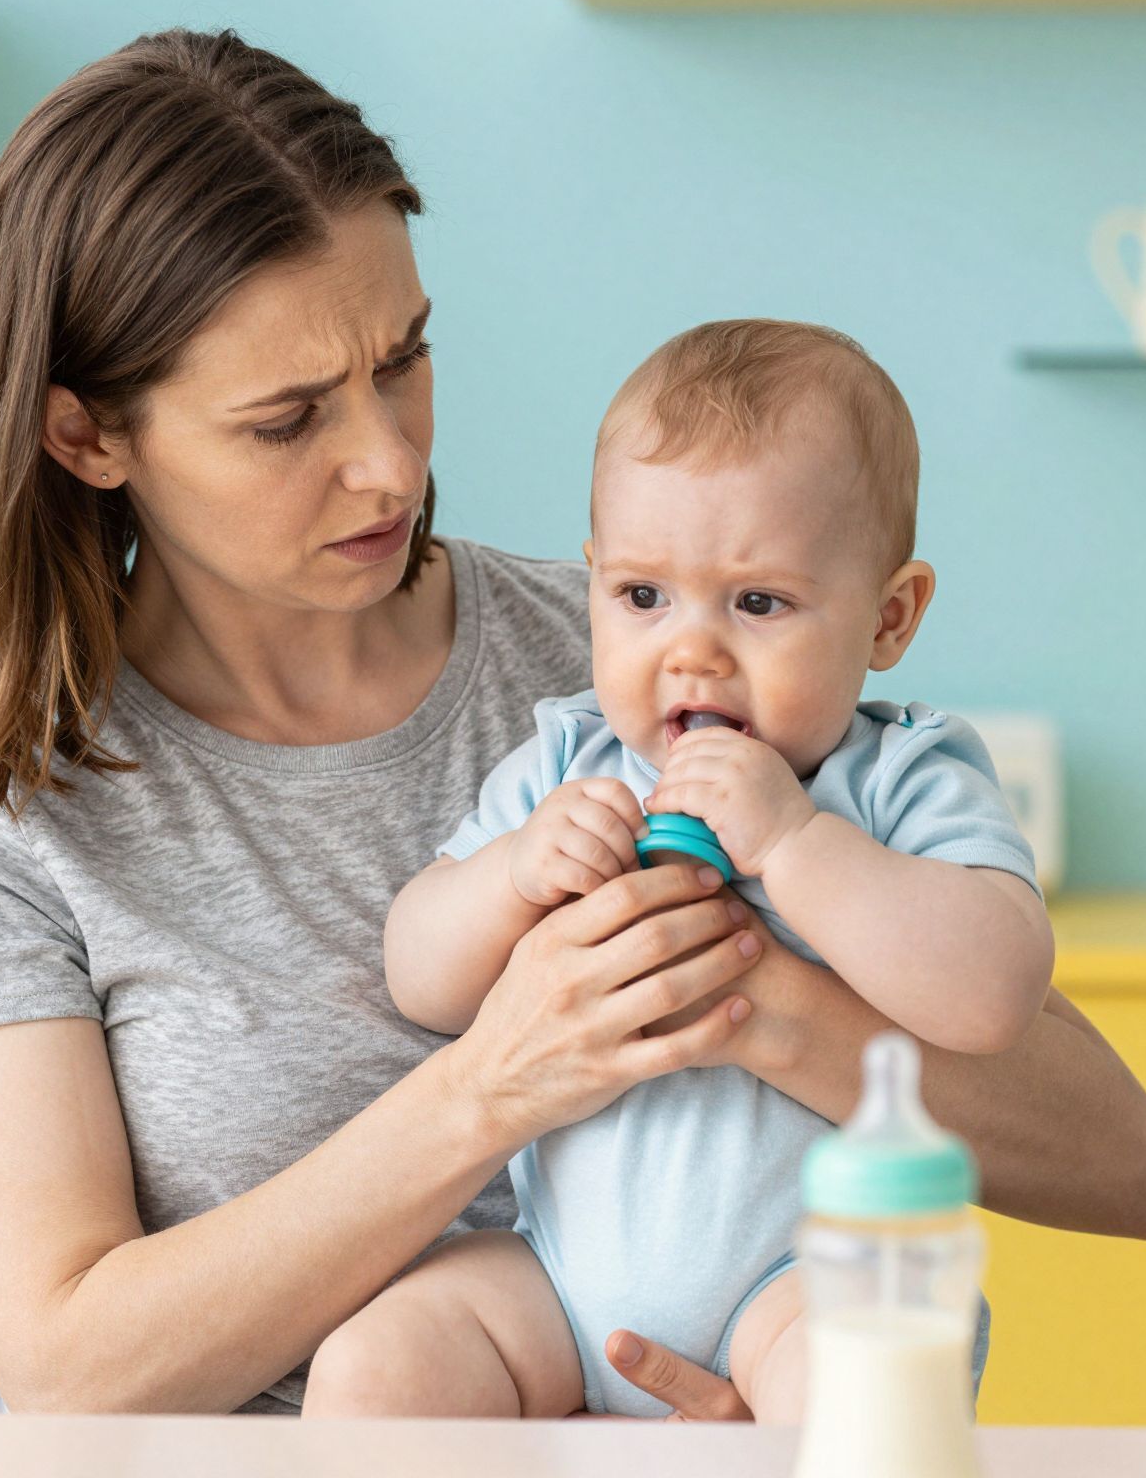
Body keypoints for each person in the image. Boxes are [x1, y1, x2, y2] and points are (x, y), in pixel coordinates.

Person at [0, 27, 1146, 1418]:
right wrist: (496, 1084)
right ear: (88, 438)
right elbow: (67, 1366)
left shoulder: (654, 659)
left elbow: (1127, 1167)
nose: (388, 461)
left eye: (403, 358)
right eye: (288, 421)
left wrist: (750, 1012)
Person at [346, 319, 1055, 1421]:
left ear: (889, 614)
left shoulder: (900, 775)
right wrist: (514, 876)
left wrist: (795, 845)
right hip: (557, 1285)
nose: (691, 650)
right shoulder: (571, 762)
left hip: (802, 1282)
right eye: (641, 597)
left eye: (757, 603)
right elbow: (418, 974)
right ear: (591, 584)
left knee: (862, 1392)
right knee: (385, 1359)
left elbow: (993, 991)